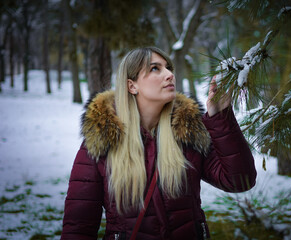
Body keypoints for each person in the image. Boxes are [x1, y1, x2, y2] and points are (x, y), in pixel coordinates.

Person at [61, 46, 256, 240]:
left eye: (168, 68)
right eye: (155, 68)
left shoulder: (188, 133)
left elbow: (240, 181)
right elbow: (78, 228)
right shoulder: (101, 141)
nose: (169, 74)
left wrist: (220, 114)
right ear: (132, 86)